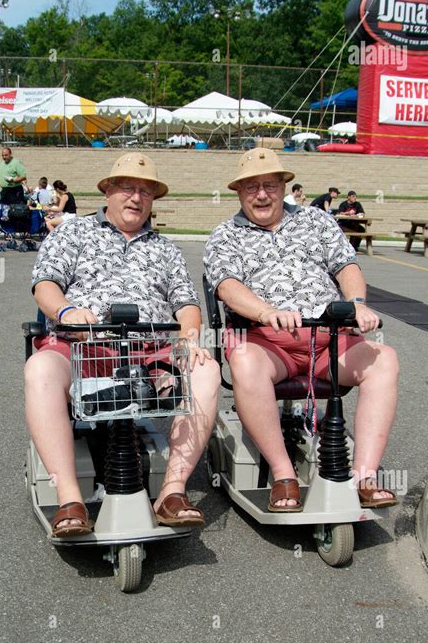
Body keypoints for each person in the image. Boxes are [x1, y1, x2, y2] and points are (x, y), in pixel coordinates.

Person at [25, 153, 220, 536]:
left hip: (150, 349)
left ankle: (172, 492)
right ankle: (70, 499)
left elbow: (185, 304)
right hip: (85, 345)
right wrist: (67, 311)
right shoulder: (72, 232)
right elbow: (45, 285)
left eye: (146, 191)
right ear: (108, 191)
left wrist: (191, 339)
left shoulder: (165, 249)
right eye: (128, 188)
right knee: (40, 369)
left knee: (206, 368)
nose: (136, 197)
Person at [204, 148, 399, 512]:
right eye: (251, 187)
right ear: (239, 192)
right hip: (267, 343)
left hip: (328, 340)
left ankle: (364, 476)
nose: (261, 194)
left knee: (384, 359)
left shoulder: (317, 221)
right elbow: (226, 286)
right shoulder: (225, 235)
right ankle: (282, 474)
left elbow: (346, 265)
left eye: (269, 185)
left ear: (283, 187)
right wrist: (266, 311)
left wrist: (356, 301)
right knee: (244, 361)